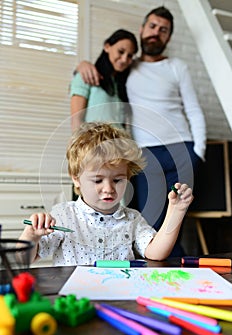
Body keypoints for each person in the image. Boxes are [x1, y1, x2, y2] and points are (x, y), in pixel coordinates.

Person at [76, 6, 206, 256]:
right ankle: (153, 277)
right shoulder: (127, 66)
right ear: (142, 29)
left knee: (176, 218)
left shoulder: (177, 66)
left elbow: (194, 110)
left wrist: (197, 152)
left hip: (181, 149)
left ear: (168, 37)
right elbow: (101, 70)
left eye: (163, 30)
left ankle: (174, 281)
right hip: (145, 154)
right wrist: (82, 64)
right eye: (153, 26)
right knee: (150, 219)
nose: (156, 32)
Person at [18, 122, 193, 266]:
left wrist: (175, 211)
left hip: (119, 298)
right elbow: (24, 260)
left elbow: (156, 253)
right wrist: (30, 236)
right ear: (76, 179)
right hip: (76, 299)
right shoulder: (63, 215)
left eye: (117, 180)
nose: (109, 189)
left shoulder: (132, 219)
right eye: (97, 180)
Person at [70, 29, 138, 132]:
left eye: (129, 56)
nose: (124, 59)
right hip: (94, 146)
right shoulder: (86, 76)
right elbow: (76, 121)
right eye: (121, 51)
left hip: (121, 146)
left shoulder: (122, 85)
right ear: (107, 47)